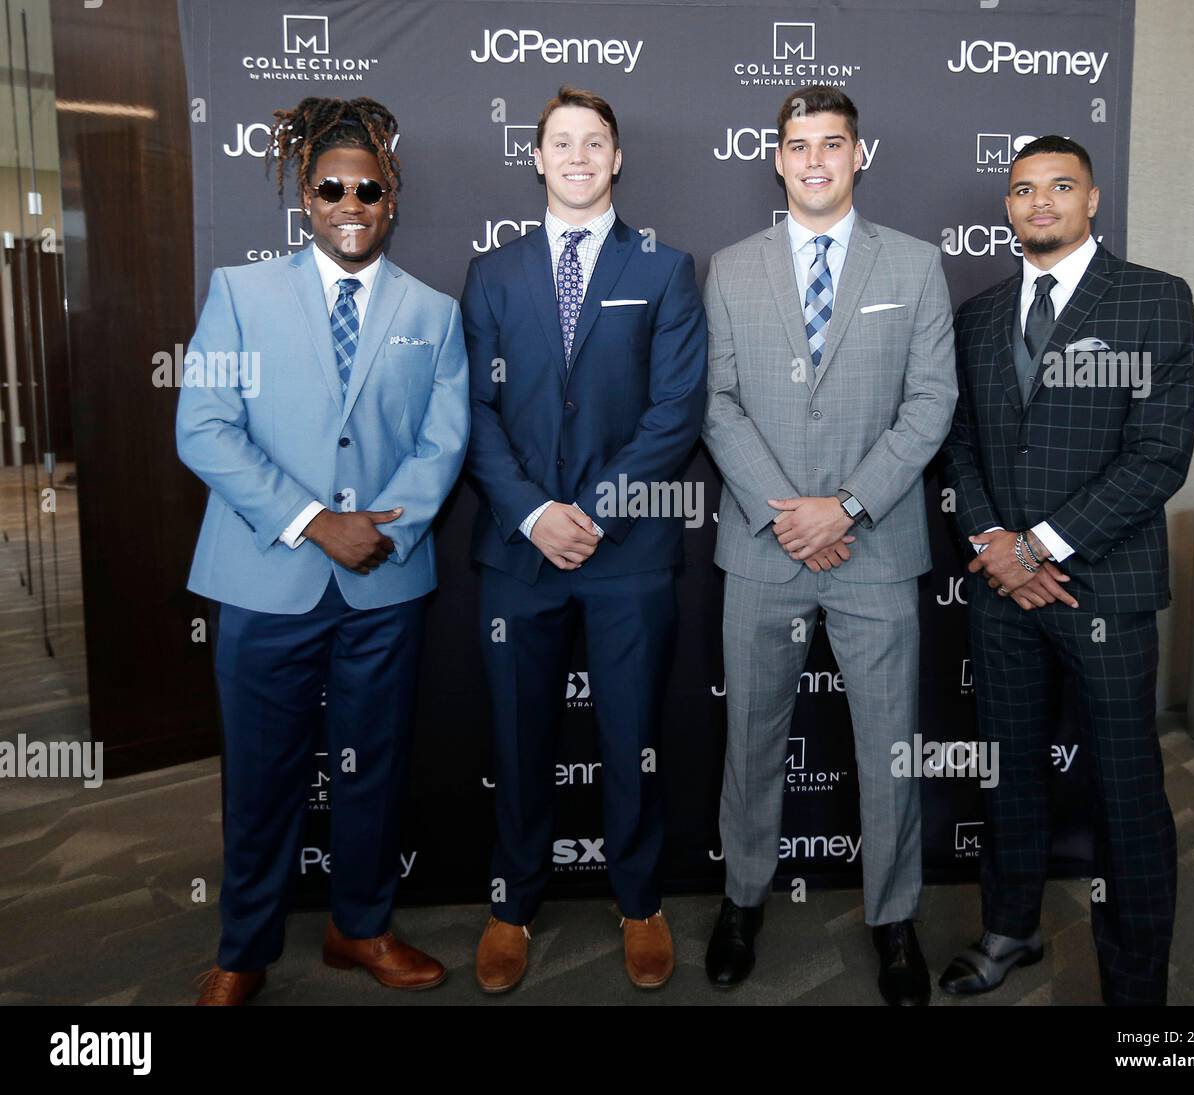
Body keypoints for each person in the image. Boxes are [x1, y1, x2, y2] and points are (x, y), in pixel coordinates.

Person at [177, 96, 469, 1005]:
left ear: (392, 199)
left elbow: (443, 441)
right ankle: (245, 947)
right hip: (265, 577)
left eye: (369, 188)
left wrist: (383, 531)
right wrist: (313, 521)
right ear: (305, 196)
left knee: (373, 768)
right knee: (261, 777)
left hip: (383, 580)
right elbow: (206, 427)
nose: (352, 202)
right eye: (332, 186)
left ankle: (362, 926)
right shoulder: (239, 291)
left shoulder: (435, 311)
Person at [700, 85, 957, 1005]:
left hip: (875, 550)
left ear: (860, 155)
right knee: (752, 738)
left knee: (889, 744)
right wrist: (785, 514)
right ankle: (742, 900)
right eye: (798, 145)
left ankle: (893, 919)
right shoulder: (730, 268)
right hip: (765, 549)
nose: (815, 160)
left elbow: (931, 403)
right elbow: (717, 404)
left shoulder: (917, 267)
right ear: (776, 158)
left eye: (832, 144)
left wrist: (844, 506)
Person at [939, 135, 1194, 1006]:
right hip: (1003, 593)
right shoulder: (976, 315)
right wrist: (992, 545)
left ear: (1093, 200)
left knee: (1125, 794)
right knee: (1009, 773)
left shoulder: (1155, 301)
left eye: (1059, 186)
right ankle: (1010, 926)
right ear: (1008, 208)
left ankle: (1136, 992)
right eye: (1022, 190)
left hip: (1106, 588)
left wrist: (1037, 545)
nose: (1038, 202)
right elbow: (962, 448)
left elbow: (1158, 457)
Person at [460, 86, 707, 992]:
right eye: (560, 142)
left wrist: (595, 509)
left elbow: (676, 408)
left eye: (593, 142)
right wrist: (533, 512)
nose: (576, 156)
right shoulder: (492, 272)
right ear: (536, 157)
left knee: (632, 734)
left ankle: (639, 900)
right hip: (517, 553)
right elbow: (474, 411)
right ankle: (511, 904)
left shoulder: (666, 267)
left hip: (628, 550)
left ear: (616, 158)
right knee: (518, 738)